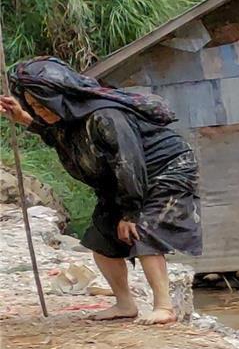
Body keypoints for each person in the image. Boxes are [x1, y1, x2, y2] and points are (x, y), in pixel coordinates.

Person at [0, 57, 202, 324]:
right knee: (101, 240)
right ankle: (124, 303)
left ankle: (164, 307)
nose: (41, 111)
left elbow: (128, 162)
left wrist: (130, 212)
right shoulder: (70, 117)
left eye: (42, 105)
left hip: (163, 170)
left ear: (59, 98)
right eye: (34, 106)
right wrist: (25, 119)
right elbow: (57, 134)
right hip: (121, 179)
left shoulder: (105, 116)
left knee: (143, 232)